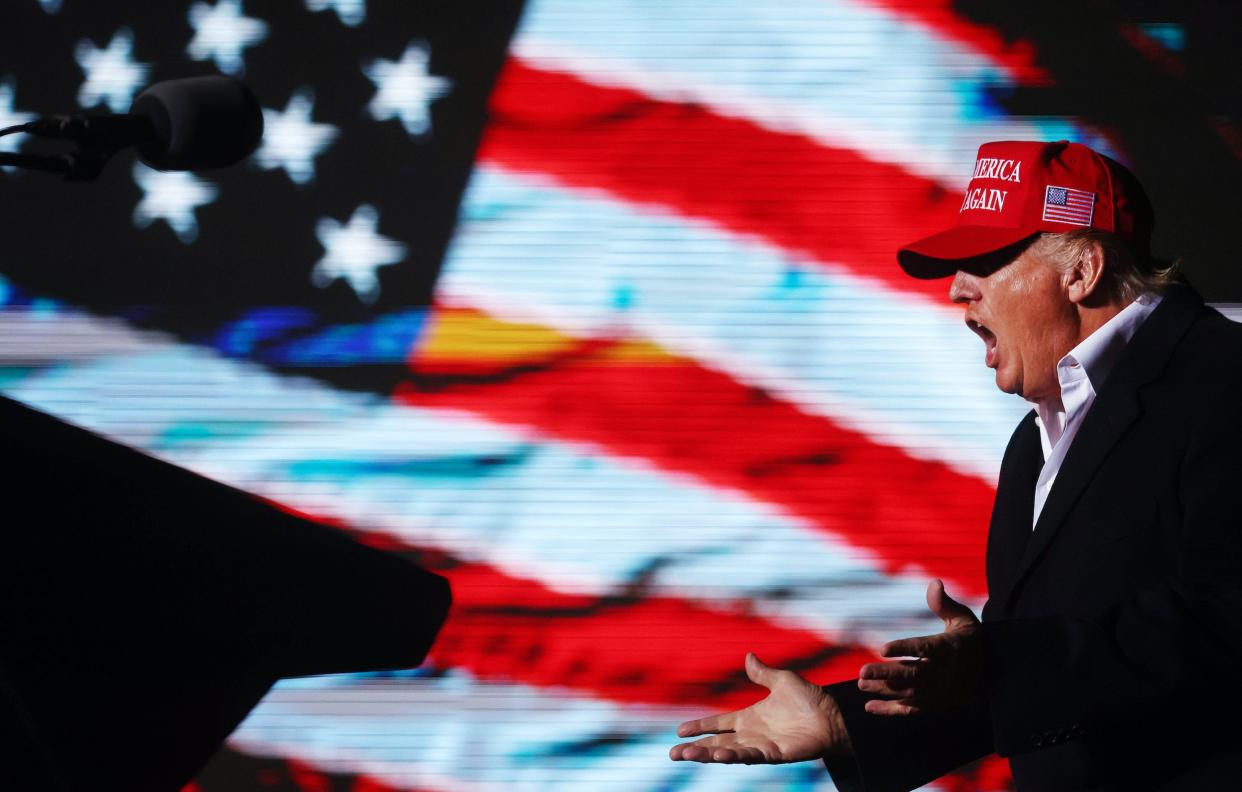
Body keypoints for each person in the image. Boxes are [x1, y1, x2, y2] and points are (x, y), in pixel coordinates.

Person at [668, 140, 1242, 790]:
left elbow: (1225, 620)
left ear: (1082, 271)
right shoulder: (1035, 442)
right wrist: (848, 721)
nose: (956, 290)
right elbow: (1039, 673)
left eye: (987, 261)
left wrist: (997, 664)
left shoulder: (1223, 376)